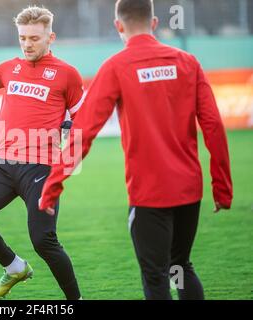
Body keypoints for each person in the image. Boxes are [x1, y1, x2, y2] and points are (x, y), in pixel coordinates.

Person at [39, 0, 233, 300]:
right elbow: (213, 127)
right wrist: (222, 188)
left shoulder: (116, 67)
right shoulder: (188, 62)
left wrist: (53, 185)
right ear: (154, 23)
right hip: (189, 192)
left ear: (119, 26)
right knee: (180, 266)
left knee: (156, 278)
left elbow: (83, 132)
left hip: (149, 196)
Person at [0, 6, 84, 299]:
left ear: (50, 37)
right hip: (3, 164)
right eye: (23, 38)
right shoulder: (9, 67)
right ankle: (15, 267)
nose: (27, 44)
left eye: (34, 38)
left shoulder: (67, 74)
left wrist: (73, 126)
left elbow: (87, 118)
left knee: (43, 241)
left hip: (42, 168)